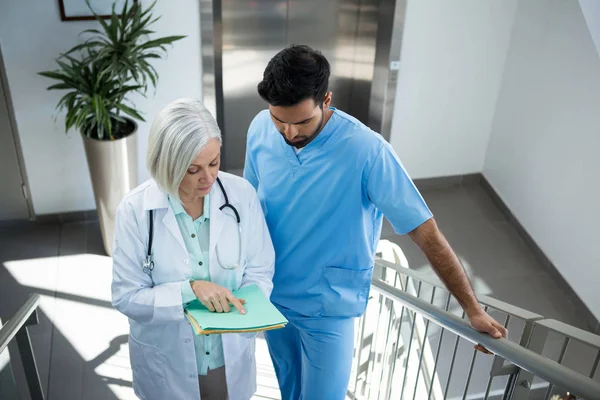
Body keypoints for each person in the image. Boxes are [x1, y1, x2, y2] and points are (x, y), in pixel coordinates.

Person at [243, 45, 508, 400]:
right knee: (289, 390)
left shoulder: (368, 152)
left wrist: (472, 308)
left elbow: (425, 232)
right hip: (272, 295)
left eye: (302, 121)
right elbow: (249, 207)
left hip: (327, 308)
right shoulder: (261, 128)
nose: (290, 133)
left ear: (326, 99)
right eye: (280, 120)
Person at [112, 98, 275, 400]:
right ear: (168, 164)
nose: (208, 177)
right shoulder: (135, 211)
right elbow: (126, 297)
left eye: (214, 163)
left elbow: (260, 268)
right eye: (193, 169)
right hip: (168, 362)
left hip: (228, 356)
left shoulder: (241, 195)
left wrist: (248, 307)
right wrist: (191, 291)